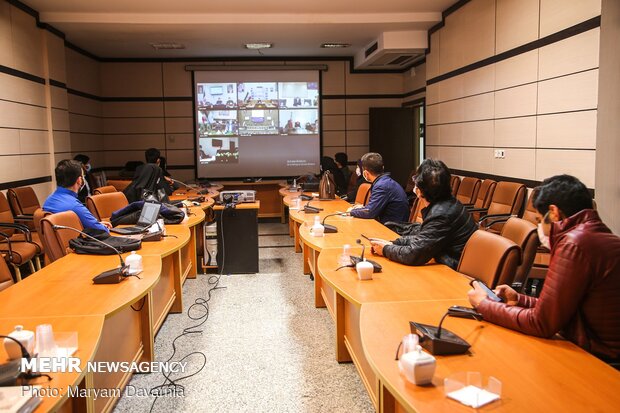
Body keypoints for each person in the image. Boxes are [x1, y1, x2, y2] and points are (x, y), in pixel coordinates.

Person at [468, 175, 620, 363]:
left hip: (598, 360)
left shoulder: (574, 244)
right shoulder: (597, 235)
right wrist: (519, 298)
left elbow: (542, 323)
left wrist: (485, 305)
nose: (540, 227)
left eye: (540, 220)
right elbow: (560, 307)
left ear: (553, 212)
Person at [370, 159, 477, 269]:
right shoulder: (448, 202)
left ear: (420, 190)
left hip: (453, 270)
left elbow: (414, 255)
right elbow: (423, 238)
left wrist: (385, 249)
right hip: (446, 260)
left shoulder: (441, 215)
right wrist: (393, 243)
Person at [43, 160, 110, 232]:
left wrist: (96, 224)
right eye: (82, 176)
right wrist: (101, 226)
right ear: (79, 180)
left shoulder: (48, 200)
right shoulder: (75, 206)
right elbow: (102, 231)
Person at [348, 152, 409, 224]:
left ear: (365, 173)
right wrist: (362, 208)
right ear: (382, 167)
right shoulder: (385, 181)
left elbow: (370, 212)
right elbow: (373, 207)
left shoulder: (381, 185)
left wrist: (351, 212)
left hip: (393, 228)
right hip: (391, 223)